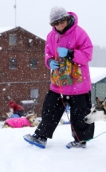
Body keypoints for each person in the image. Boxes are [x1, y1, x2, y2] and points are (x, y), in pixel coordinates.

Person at [23, 6, 94, 149]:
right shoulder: (51, 36)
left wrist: (70, 53)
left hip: (78, 84)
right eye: (57, 23)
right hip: (59, 83)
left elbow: (87, 55)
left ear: (67, 19)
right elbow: (48, 53)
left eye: (62, 22)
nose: (60, 25)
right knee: (49, 110)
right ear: (52, 24)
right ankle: (41, 136)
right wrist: (49, 62)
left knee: (80, 114)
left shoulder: (79, 33)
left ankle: (81, 141)